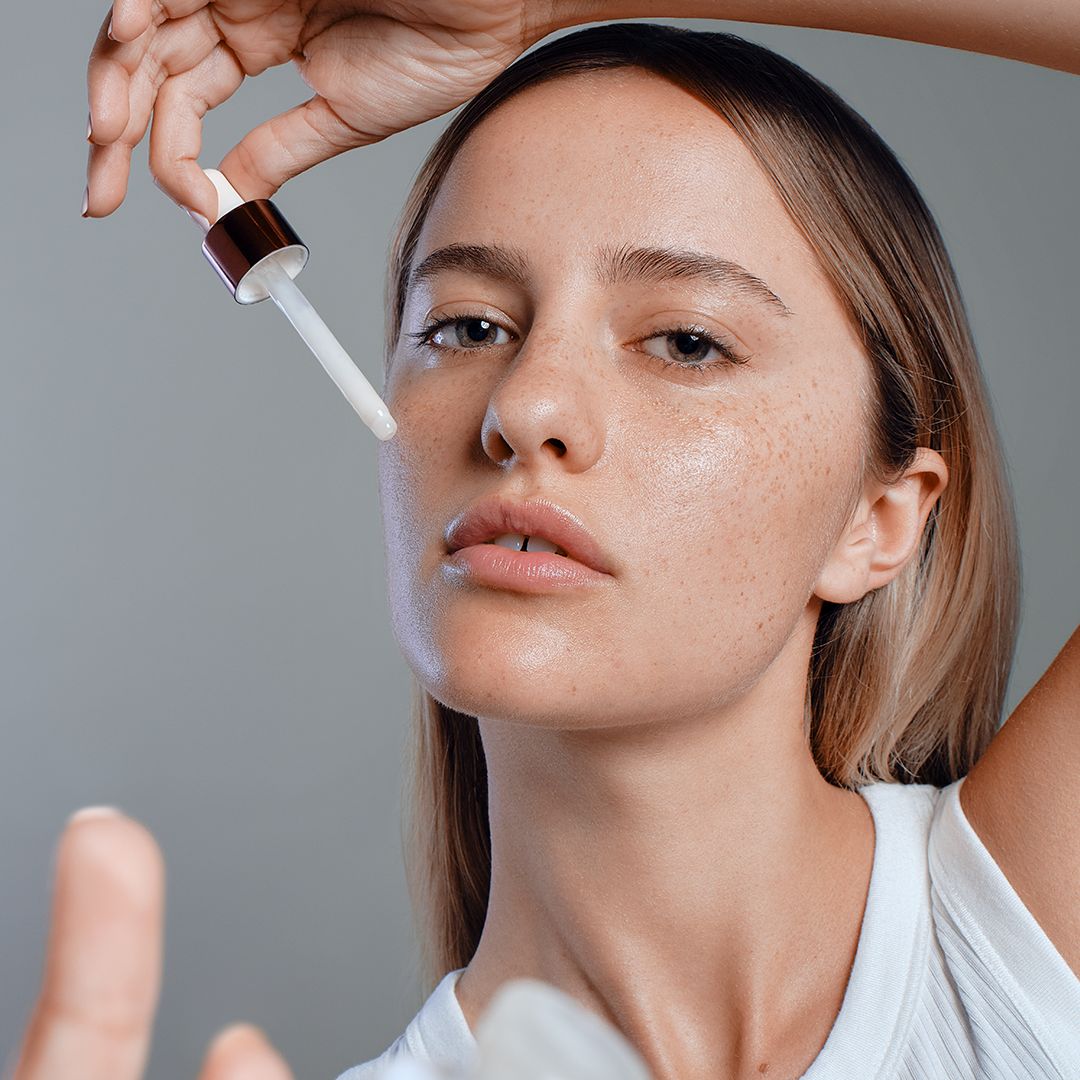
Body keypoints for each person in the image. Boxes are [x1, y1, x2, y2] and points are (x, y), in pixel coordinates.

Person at [10, 2, 1075, 1079]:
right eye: (468, 326)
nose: (524, 408)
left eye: (685, 342)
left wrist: (537, 5)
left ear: (877, 520)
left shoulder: (1019, 952)